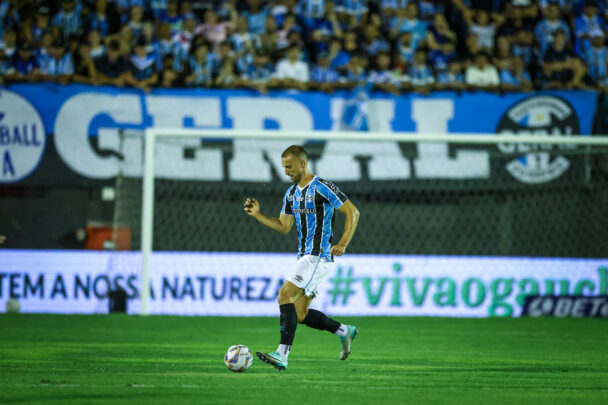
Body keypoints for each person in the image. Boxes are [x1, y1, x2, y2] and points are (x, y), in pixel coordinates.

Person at [243, 145, 360, 371]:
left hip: (318, 256)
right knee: (300, 314)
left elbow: (353, 212)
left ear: (302, 164)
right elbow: (283, 226)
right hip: (305, 257)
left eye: (289, 166)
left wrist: (343, 243)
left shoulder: (322, 187)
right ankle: (344, 331)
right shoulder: (291, 194)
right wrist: (258, 215)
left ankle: (282, 354)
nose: (286, 171)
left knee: (284, 294)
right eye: (284, 167)